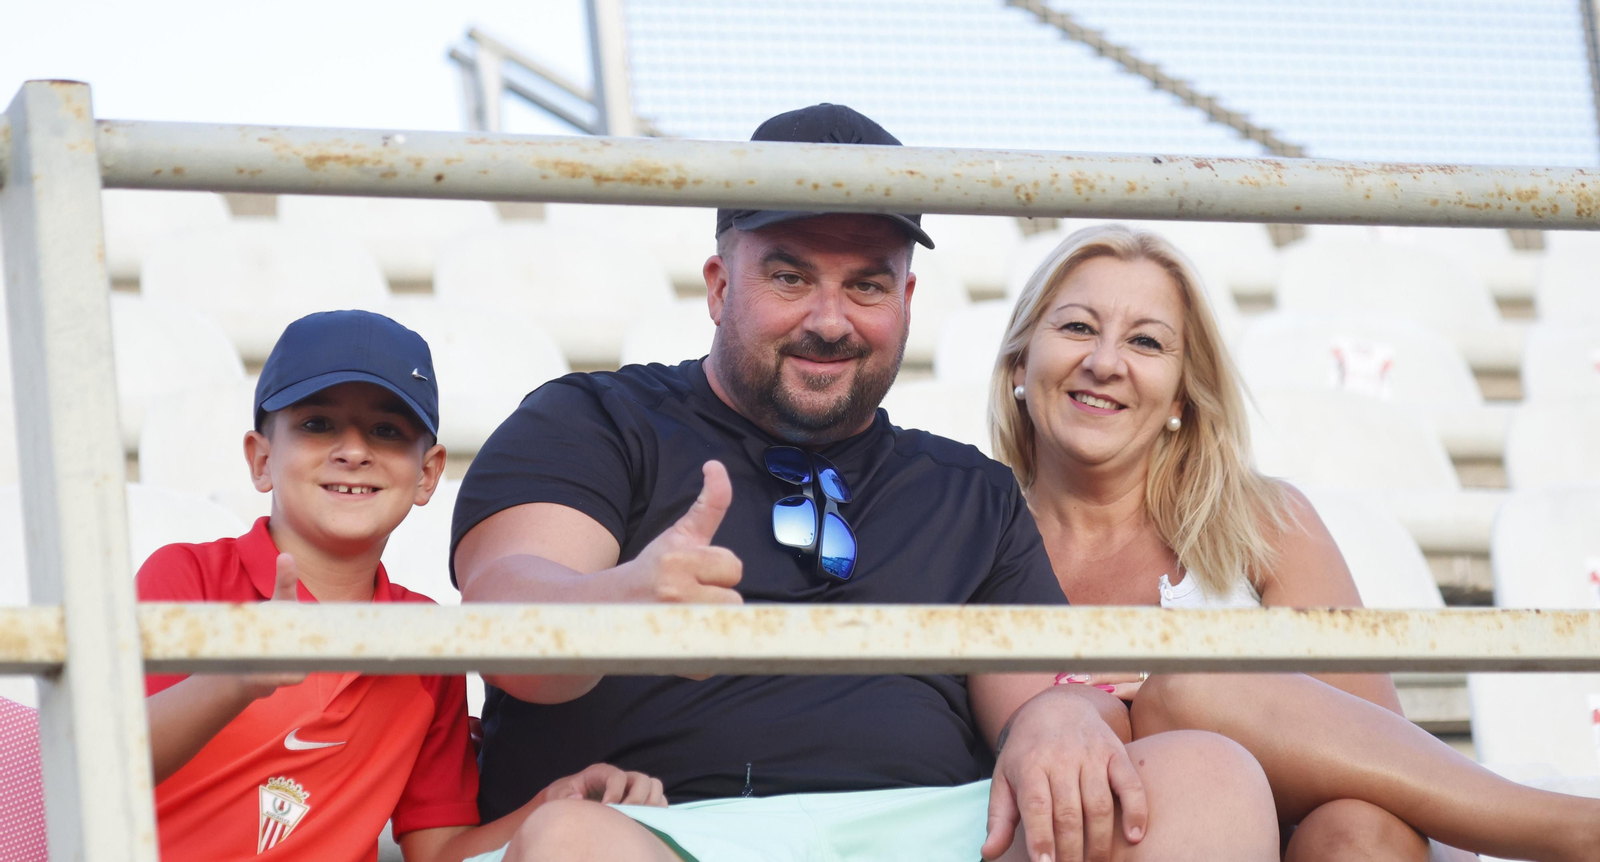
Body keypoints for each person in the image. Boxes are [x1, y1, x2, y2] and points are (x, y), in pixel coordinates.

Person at [450, 104, 1281, 862]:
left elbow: (1043, 700)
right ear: (719, 285)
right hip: (666, 832)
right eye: (789, 277)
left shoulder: (972, 493)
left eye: (867, 285)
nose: (829, 319)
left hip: (932, 832)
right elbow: (510, 620)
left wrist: (1061, 715)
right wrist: (621, 602)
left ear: (906, 298)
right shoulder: (595, 420)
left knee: (1207, 779)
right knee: (574, 846)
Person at [991, 223, 1600, 862]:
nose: (1105, 362)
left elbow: (1395, 777)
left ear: (1182, 396)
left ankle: (1569, 830)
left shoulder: (1266, 524)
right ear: (1019, 365)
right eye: (1078, 327)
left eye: (1145, 341)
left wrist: (1179, 693)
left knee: (1360, 827)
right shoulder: (970, 536)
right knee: (1189, 690)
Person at [137, 310, 665, 862]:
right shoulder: (187, 576)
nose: (354, 451)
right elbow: (107, 761)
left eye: (387, 431)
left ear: (427, 474)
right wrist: (234, 679)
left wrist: (555, 804)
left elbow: (438, 851)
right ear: (262, 458)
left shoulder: (424, 643)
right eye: (318, 424)